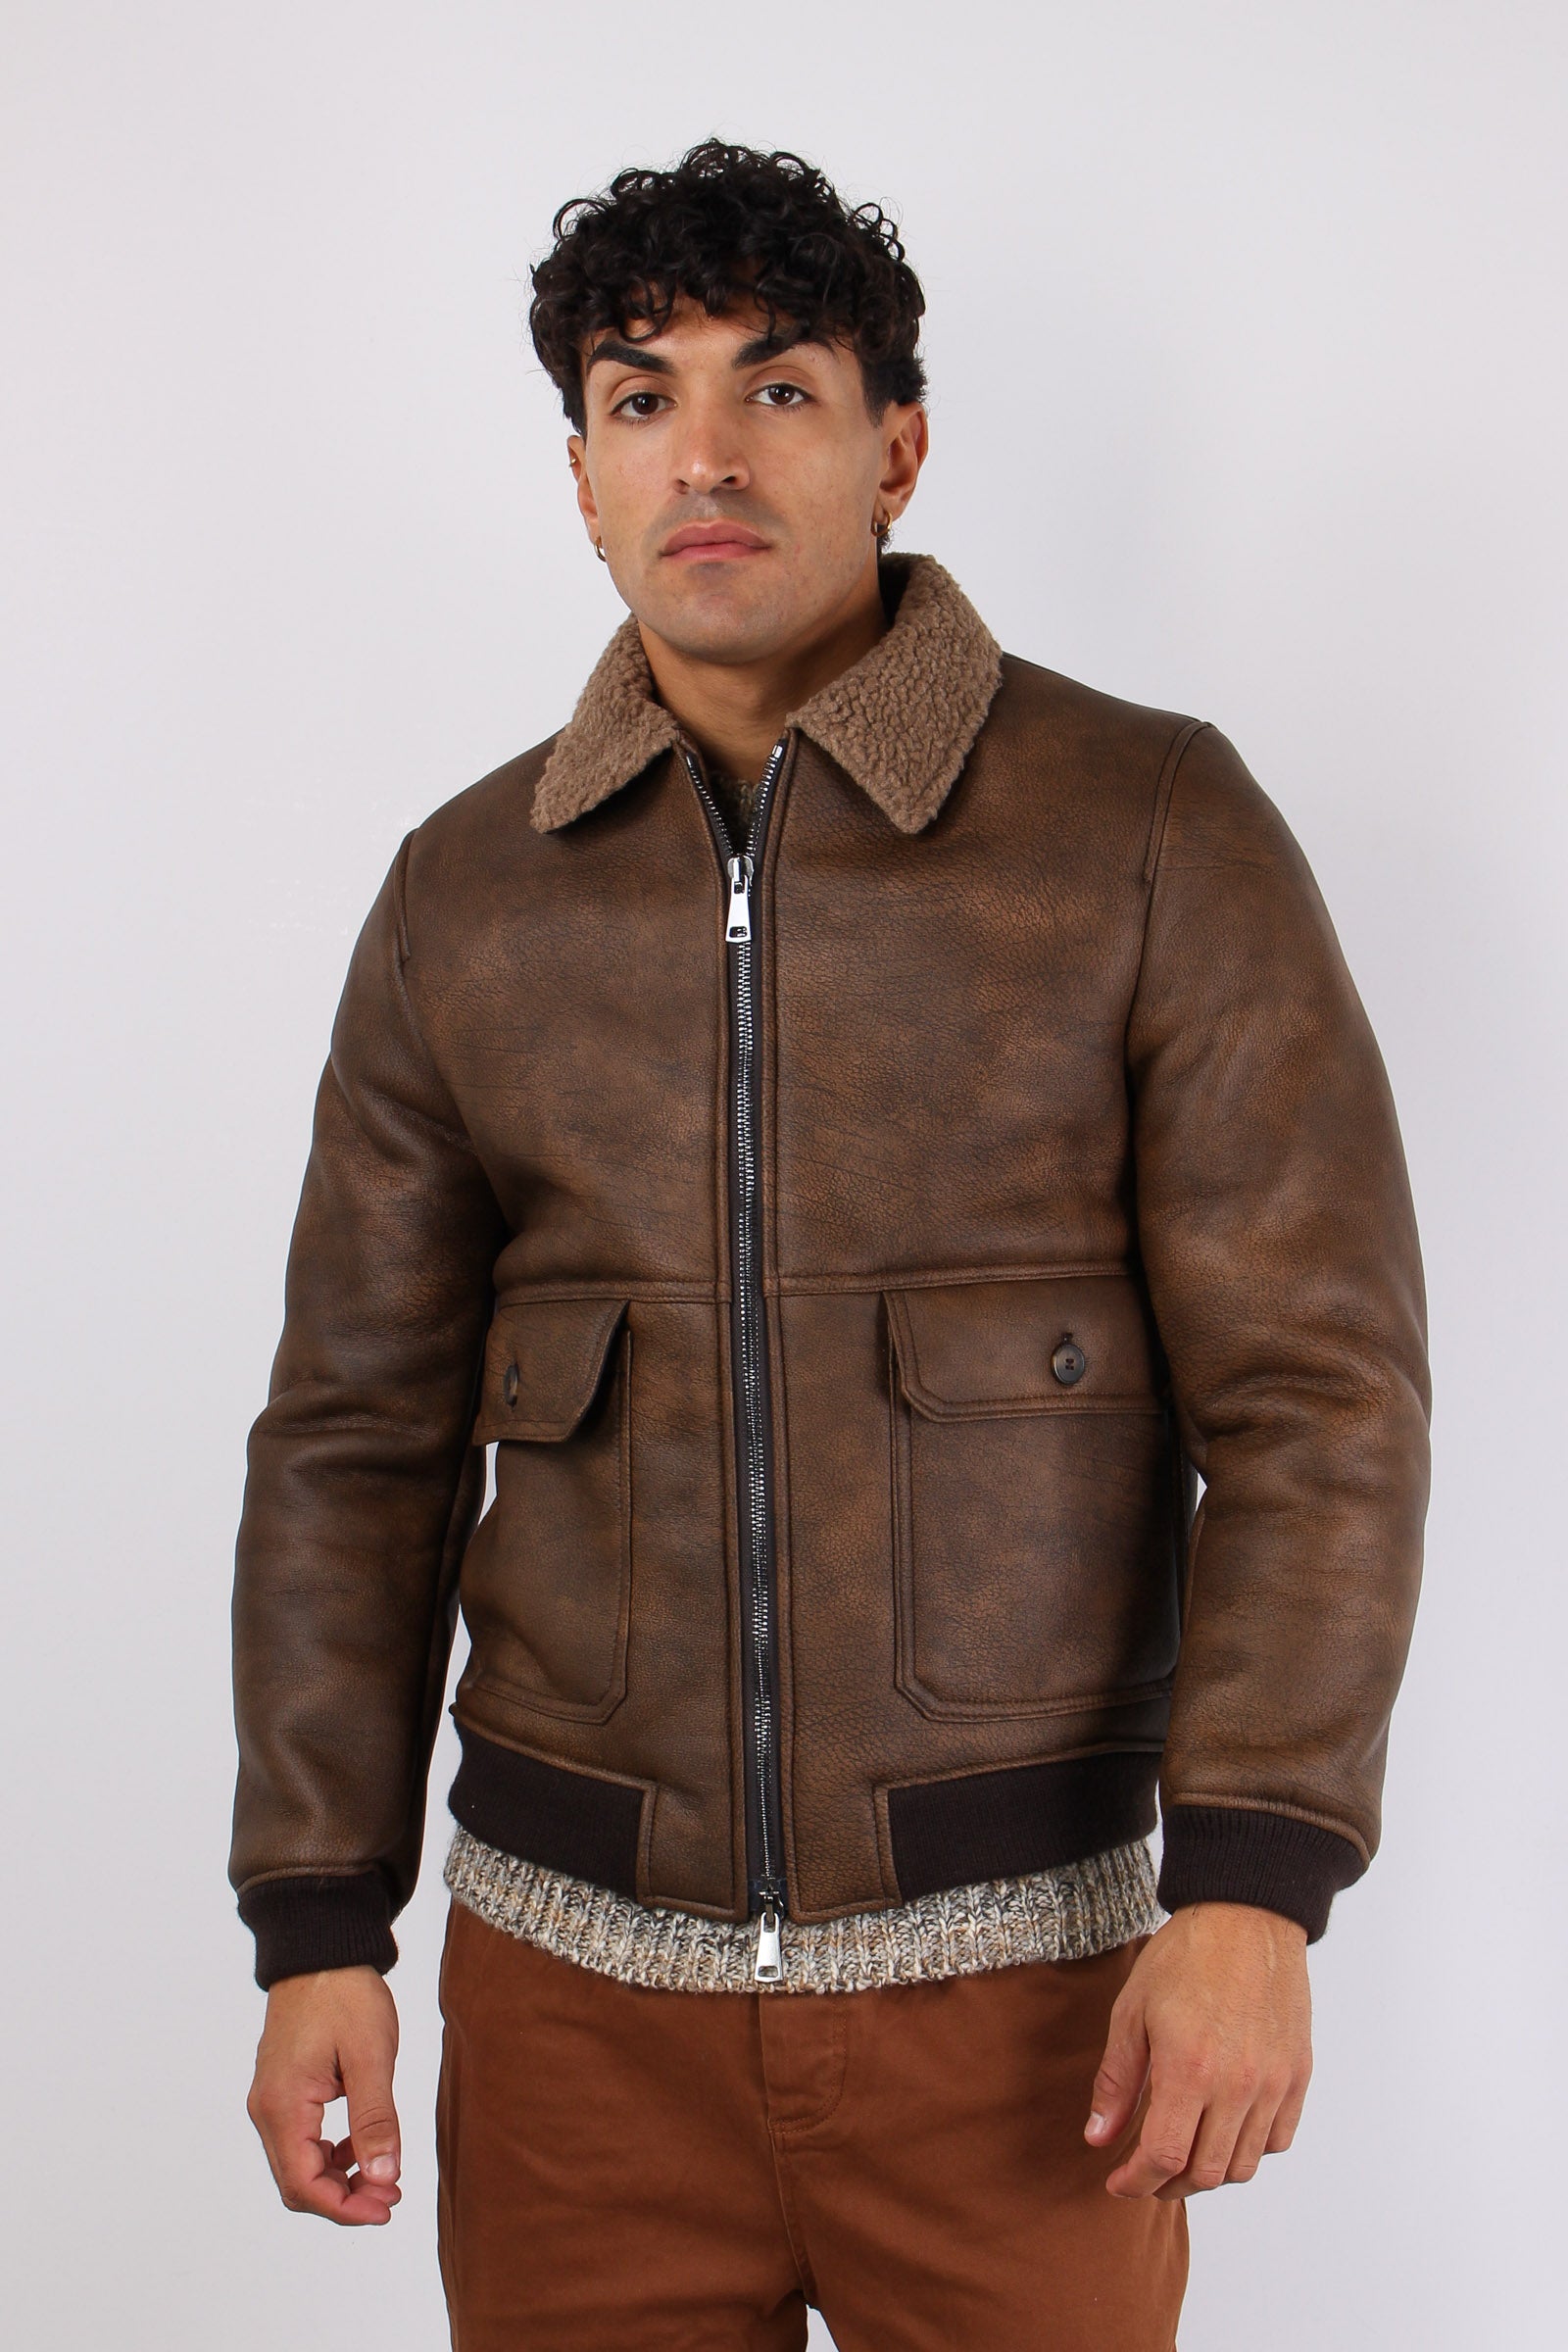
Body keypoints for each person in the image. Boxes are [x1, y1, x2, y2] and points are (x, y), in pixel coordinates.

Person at [232, 139, 1431, 2350]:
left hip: (1032, 2018)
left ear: (895, 447)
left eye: (774, 387)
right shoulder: (460, 896)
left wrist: (1257, 1882)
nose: (703, 452)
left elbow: (1317, 1399)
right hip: (570, 2027)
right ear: (581, 478)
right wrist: (318, 1922)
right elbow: (350, 1444)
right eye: (639, 396)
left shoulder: (1151, 829)